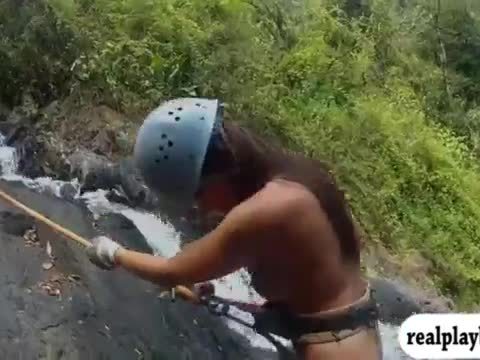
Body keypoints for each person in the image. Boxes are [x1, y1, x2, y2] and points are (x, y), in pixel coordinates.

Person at [86, 98, 383, 360]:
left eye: (198, 196)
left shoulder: (265, 210)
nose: (201, 210)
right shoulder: (295, 178)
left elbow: (171, 272)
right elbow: (305, 275)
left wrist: (113, 252)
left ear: (219, 174)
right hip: (349, 338)